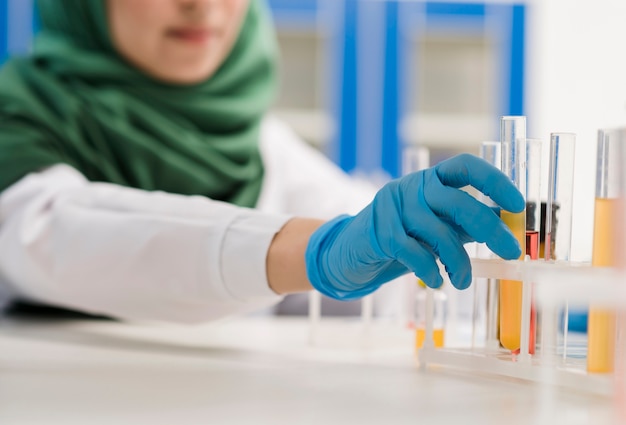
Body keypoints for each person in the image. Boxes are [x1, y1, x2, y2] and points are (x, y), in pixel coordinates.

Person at [0, 0, 523, 323]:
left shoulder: (261, 148)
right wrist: (313, 251)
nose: (201, 4)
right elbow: (52, 235)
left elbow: (395, 289)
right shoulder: (18, 115)